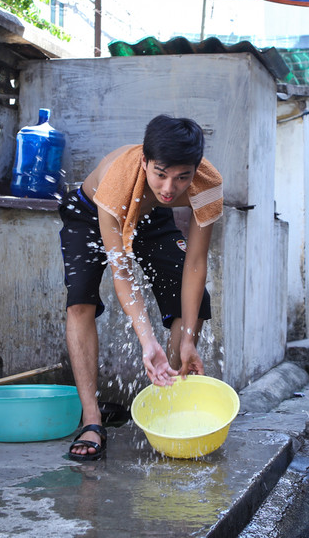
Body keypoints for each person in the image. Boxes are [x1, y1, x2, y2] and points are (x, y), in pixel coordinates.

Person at [58, 115, 222, 461]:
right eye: (160, 174)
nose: (169, 188)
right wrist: (147, 341)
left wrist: (190, 337)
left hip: (150, 218)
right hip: (92, 213)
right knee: (80, 303)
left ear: (196, 169)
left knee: (194, 303)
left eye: (182, 178)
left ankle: (166, 403)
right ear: (145, 161)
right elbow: (122, 273)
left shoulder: (207, 183)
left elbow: (195, 264)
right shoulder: (119, 180)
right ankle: (91, 420)